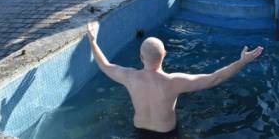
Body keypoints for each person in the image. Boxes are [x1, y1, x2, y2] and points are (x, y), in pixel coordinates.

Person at [86, 22, 263, 138]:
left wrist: (93, 41)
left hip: (139, 133)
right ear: (164, 55)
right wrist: (242, 62)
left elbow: (104, 65)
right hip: (167, 134)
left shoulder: (130, 77)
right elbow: (214, 78)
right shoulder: (173, 82)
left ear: (141, 56)